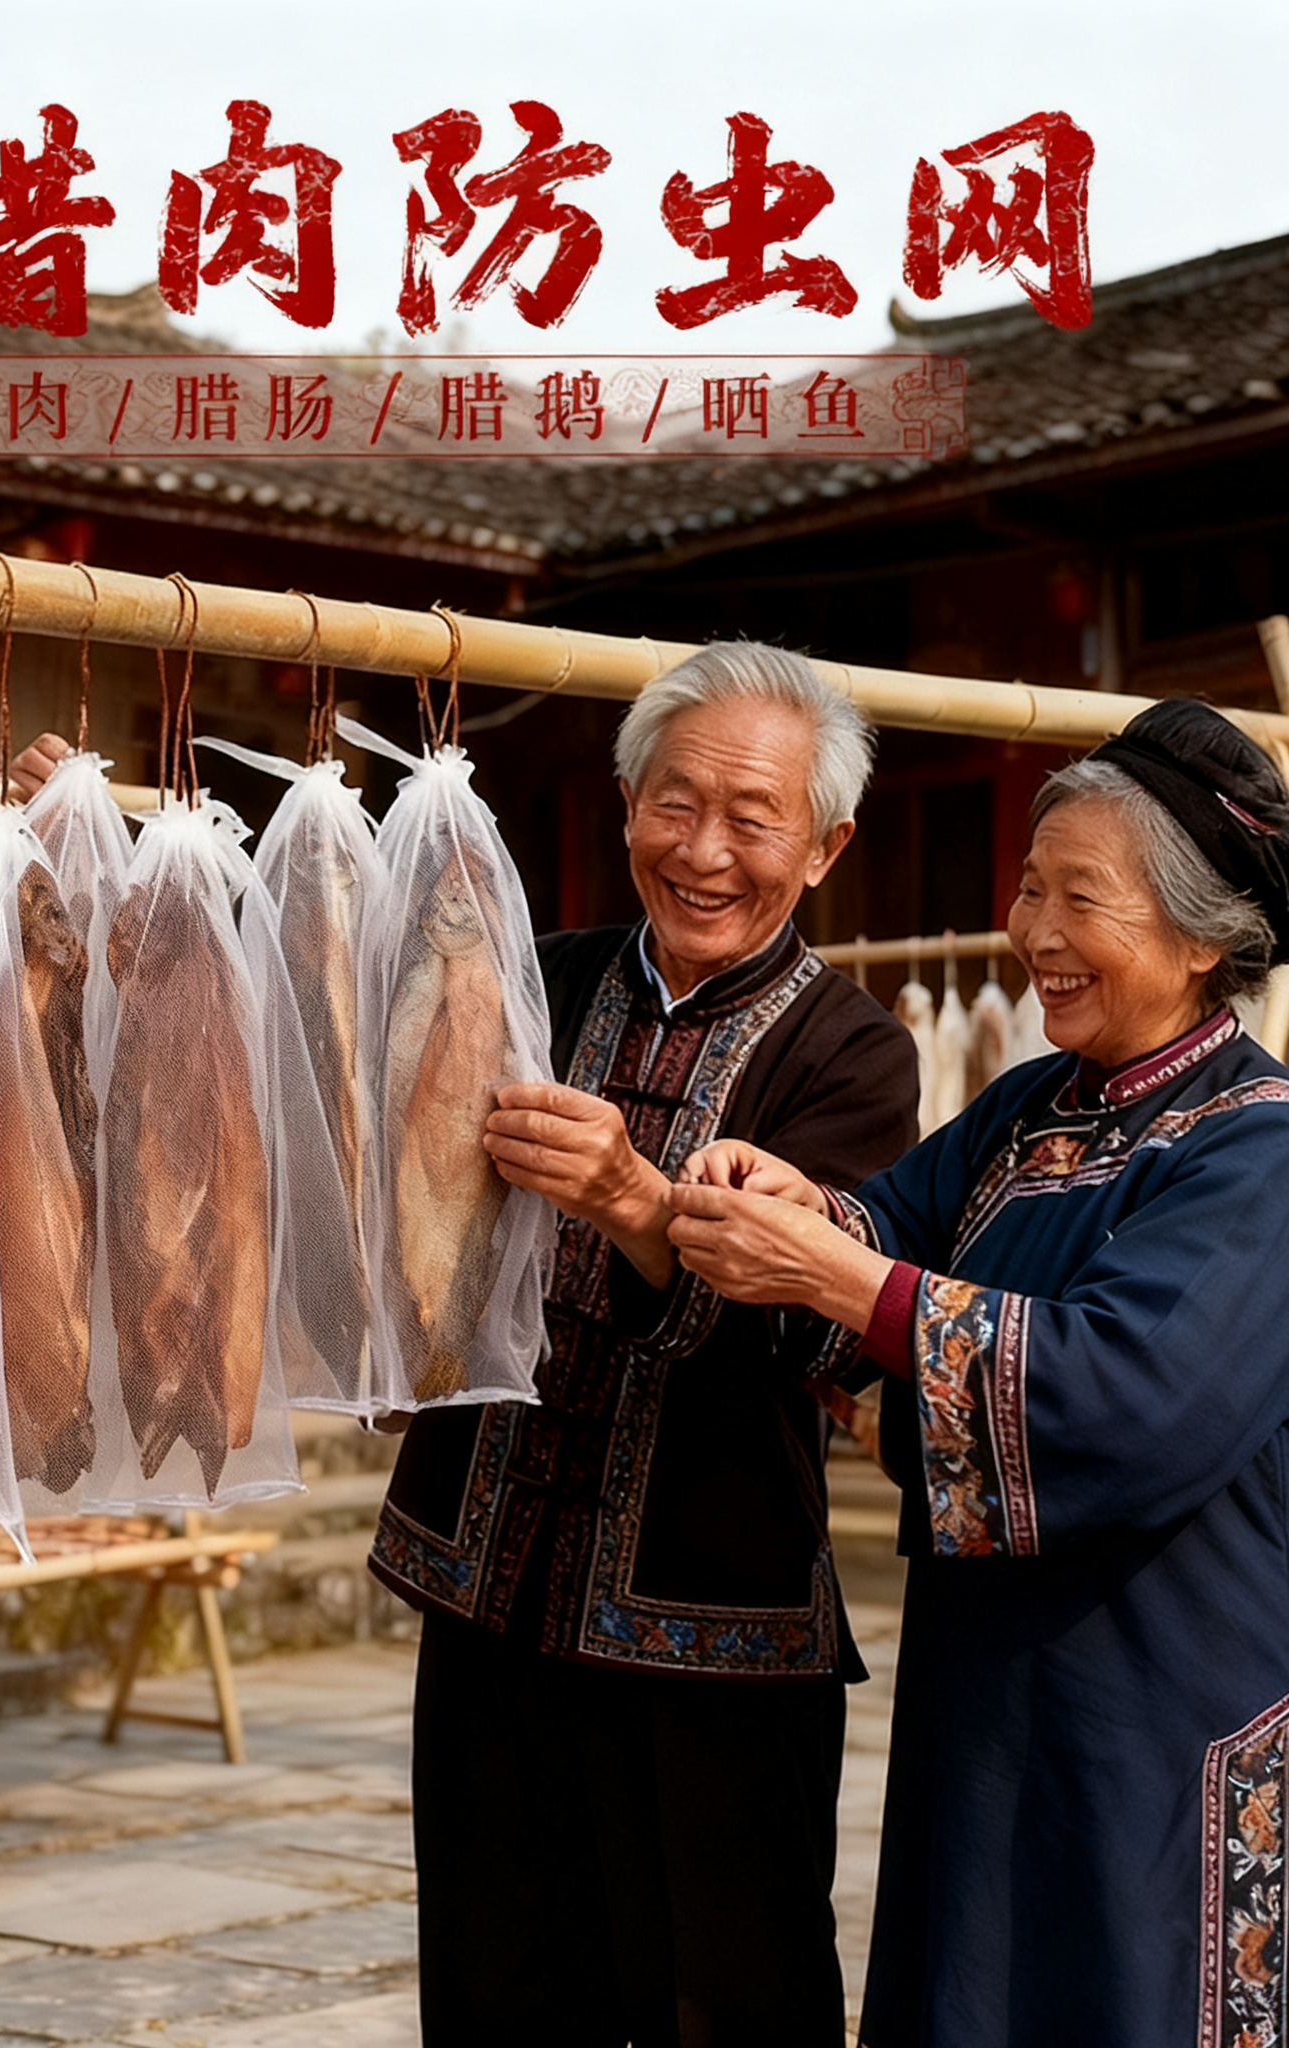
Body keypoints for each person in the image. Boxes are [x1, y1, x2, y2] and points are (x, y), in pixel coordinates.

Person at [667, 698, 1289, 2048]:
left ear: (1200, 936)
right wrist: (796, 1206)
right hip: (998, 1714)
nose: (1033, 931)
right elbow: (888, 1226)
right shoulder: (1029, 1108)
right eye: (1029, 886)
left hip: (1182, 1727)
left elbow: (1123, 1395)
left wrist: (835, 1274)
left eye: (1079, 898)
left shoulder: (1273, 1156)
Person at [363, 642, 920, 2047]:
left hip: (715, 1641)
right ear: (626, 807)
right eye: (676, 804)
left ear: (825, 847)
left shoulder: (853, 1053)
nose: (705, 851)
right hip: (492, 1603)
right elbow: (344, 1057)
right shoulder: (534, 982)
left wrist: (632, 1198)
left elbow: (809, 1328)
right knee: (494, 1998)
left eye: (753, 818)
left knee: (726, 2005)